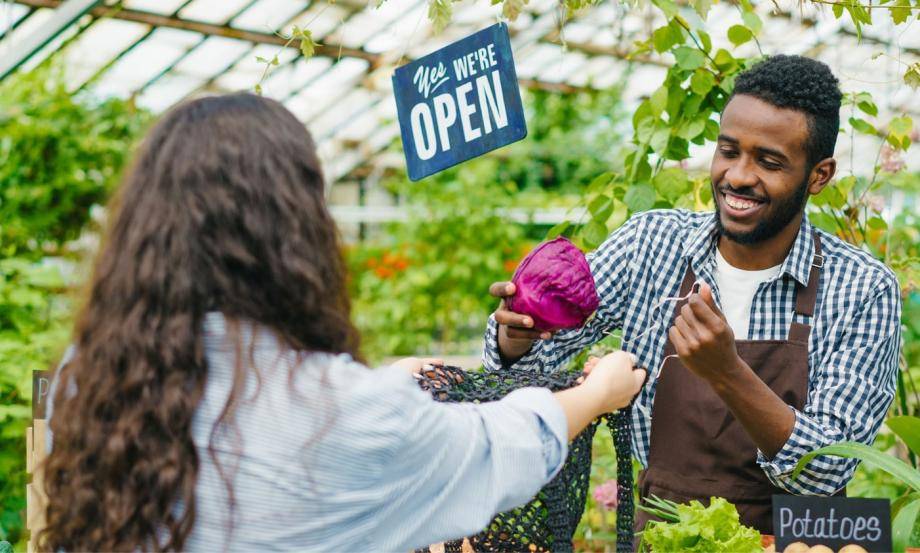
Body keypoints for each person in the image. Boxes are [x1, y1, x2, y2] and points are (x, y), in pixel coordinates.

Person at [38, 93, 647, 552]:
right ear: (293, 233)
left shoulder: (90, 380)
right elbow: (491, 449)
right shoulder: (342, 415)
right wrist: (597, 393)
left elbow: (254, 420)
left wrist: (387, 377)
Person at [486, 55, 902, 533]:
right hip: (665, 534)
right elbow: (528, 366)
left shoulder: (862, 288)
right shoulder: (650, 245)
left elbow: (826, 470)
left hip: (796, 541)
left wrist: (727, 374)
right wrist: (516, 339)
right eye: (729, 151)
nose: (739, 176)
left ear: (819, 175)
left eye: (769, 162)